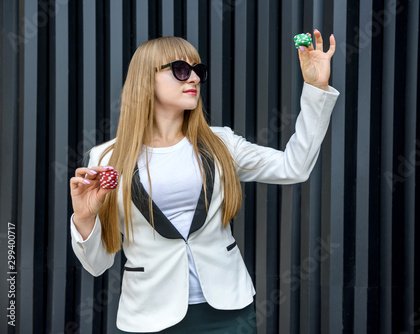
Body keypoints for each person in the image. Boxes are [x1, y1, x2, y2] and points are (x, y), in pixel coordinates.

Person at [69, 29, 339, 333]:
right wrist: (84, 218)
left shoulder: (221, 143)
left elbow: (295, 167)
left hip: (228, 314)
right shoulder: (106, 159)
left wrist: (316, 89)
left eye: (197, 71)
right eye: (181, 70)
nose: (194, 79)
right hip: (149, 316)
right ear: (146, 80)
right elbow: (96, 264)